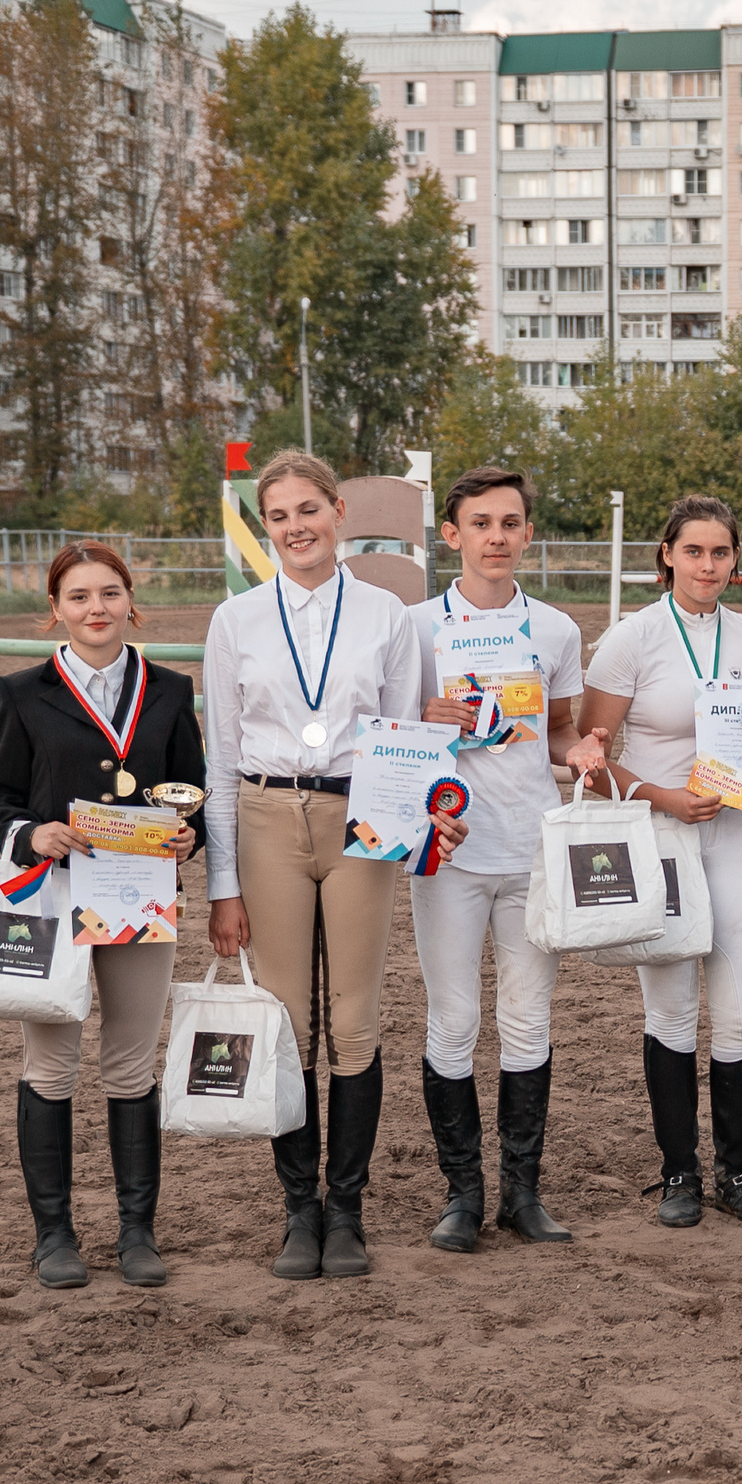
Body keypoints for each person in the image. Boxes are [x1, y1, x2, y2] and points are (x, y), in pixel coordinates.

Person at [204, 449, 455, 1282]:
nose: (296, 527)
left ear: (337, 512)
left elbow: (399, 737)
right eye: (278, 516)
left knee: (353, 1021)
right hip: (269, 816)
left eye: (308, 509)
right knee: (287, 1023)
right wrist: (223, 884)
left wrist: (410, 830)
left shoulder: (387, 614)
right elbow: (221, 758)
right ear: (264, 526)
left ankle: (345, 1206)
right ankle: (296, 1210)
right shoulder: (234, 620)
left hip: (361, 815)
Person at [0, 544, 206, 1290]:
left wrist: (187, 834)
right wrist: (29, 833)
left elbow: (190, 791)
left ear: (131, 601)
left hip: (138, 893)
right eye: (78, 597)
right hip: (52, 892)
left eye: (109, 593)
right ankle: (55, 1235)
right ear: (56, 609)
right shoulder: (20, 690)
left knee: (132, 1064)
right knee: (50, 1066)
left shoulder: (170, 689)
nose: (95, 608)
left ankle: (137, 1231)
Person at [569, 497, 742, 1228]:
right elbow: (590, 761)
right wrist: (661, 793)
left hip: (741, 839)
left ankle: (738, 1171)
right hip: (662, 839)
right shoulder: (631, 639)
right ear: (667, 554)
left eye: (720, 553)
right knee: (669, 1010)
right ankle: (679, 1173)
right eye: (693, 551)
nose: (707, 565)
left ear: (734, 560)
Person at [408, 465, 585, 1253]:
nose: (497, 537)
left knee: (527, 1018)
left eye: (510, 522)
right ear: (452, 535)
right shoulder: (414, 628)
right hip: (448, 851)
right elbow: (386, 738)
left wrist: (586, 750)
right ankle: (461, 1193)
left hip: (530, 847)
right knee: (453, 1018)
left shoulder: (555, 631)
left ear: (527, 532)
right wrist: (420, 716)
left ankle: (522, 1191)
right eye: (481, 523)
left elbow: (559, 734)